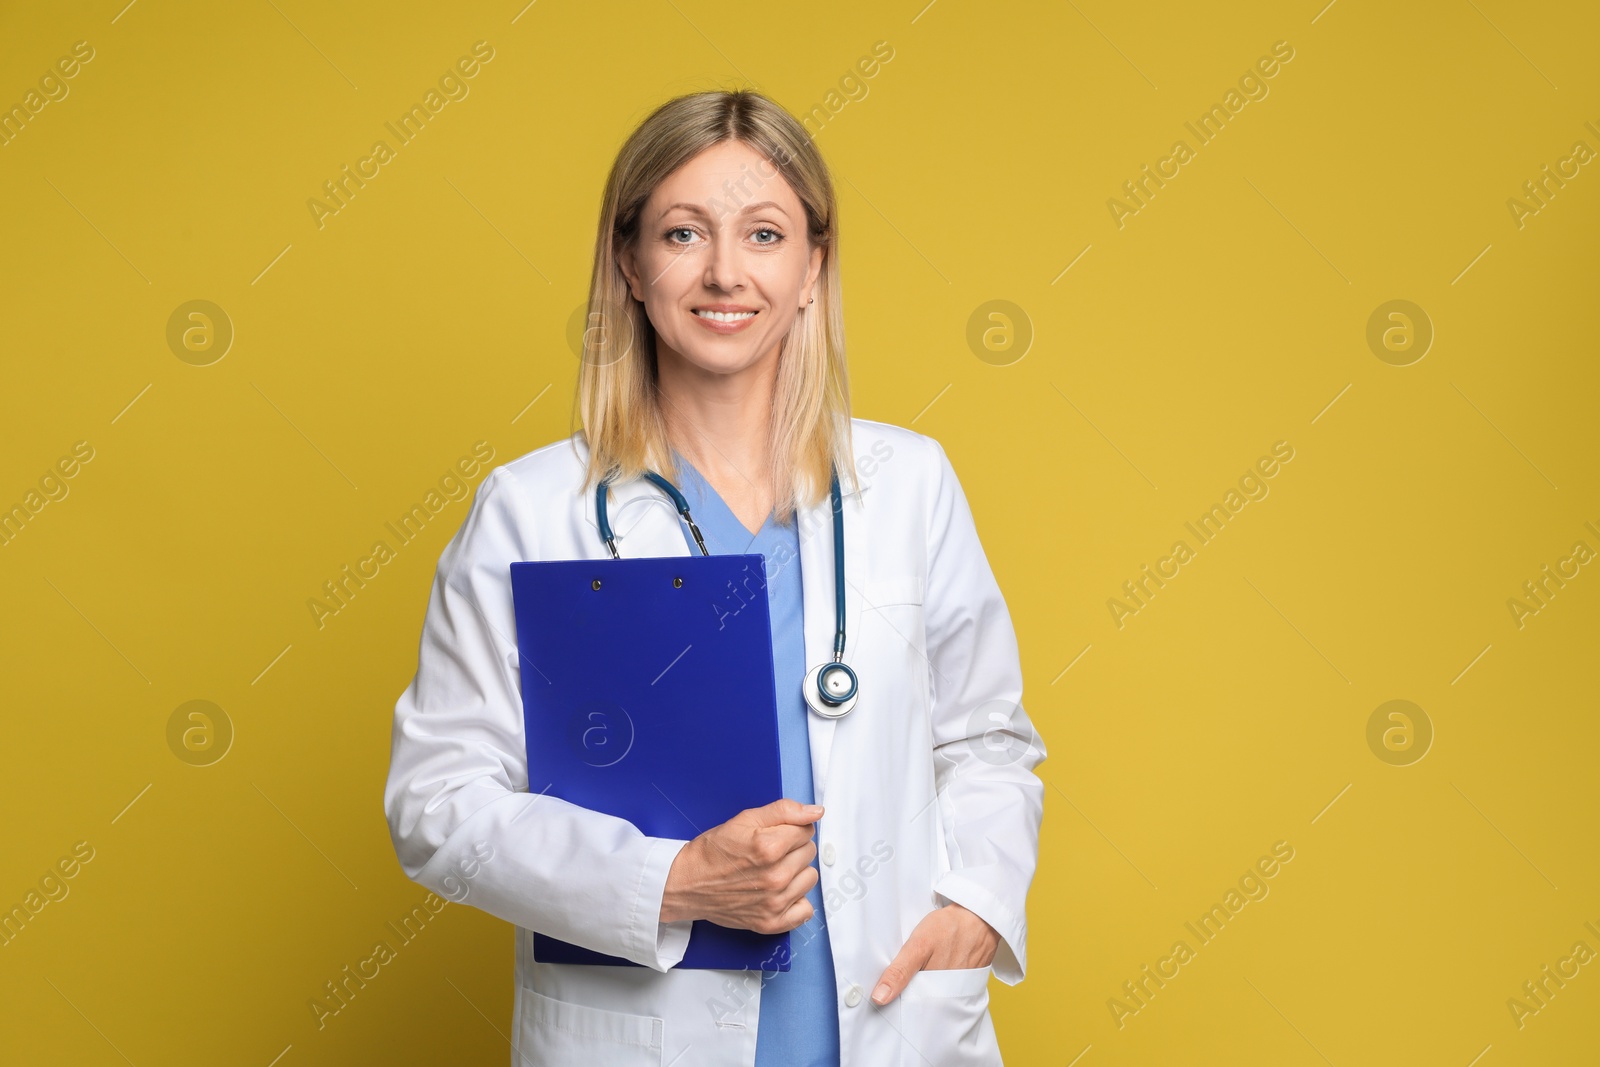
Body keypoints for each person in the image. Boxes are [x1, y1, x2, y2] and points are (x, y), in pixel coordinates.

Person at [383, 88, 1046, 1067]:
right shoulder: (529, 510)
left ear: (814, 266)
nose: (725, 271)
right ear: (630, 263)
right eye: (684, 232)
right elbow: (436, 803)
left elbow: (987, 737)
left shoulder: (912, 485)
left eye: (765, 234)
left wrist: (977, 904)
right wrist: (672, 881)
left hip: (889, 1014)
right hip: (643, 1029)